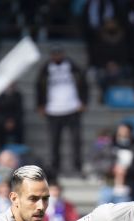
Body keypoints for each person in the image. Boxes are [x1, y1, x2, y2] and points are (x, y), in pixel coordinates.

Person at [36, 46, 88, 174]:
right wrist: (40, 104)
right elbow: (38, 86)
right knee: (54, 141)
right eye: (54, 54)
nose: (57, 57)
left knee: (76, 140)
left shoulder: (73, 67)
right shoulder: (45, 69)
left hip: (72, 108)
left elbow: (84, 84)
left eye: (59, 54)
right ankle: (55, 167)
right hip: (53, 110)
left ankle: (77, 166)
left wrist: (84, 101)